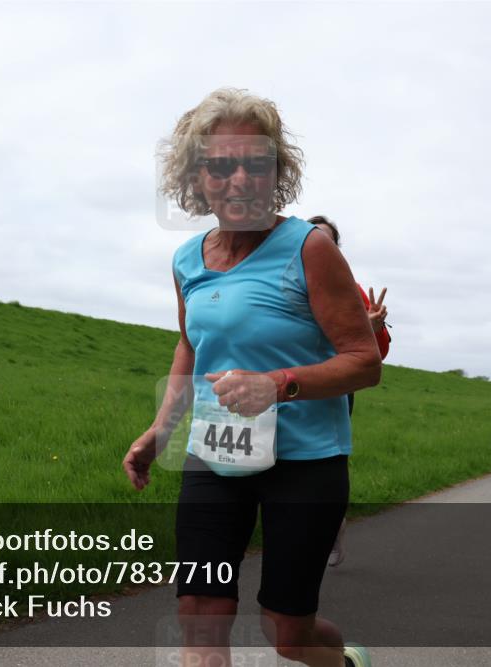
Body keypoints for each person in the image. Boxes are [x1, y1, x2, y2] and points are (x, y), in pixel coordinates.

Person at [123, 88, 381, 667]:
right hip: (214, 459)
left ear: (276, 172)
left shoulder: (308, 248)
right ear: (197, 177)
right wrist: (160, 429)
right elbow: (191, 344)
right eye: (220, 165)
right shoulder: (188, 259)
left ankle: (344, 661)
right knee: (200, 628)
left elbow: (364, 361)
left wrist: (278, 383)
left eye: (255, 164)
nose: (239, 180)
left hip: (305, 463)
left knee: (288, 634)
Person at [308, 216, 390, 568]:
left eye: (326, 241)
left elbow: (377, 352)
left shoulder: (350, 289)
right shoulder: (278, 282)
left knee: (323, 463)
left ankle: (330, 528)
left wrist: (372, 326)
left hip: (334, 387)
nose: (316, 246)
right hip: (284, 387)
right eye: (311, 237)